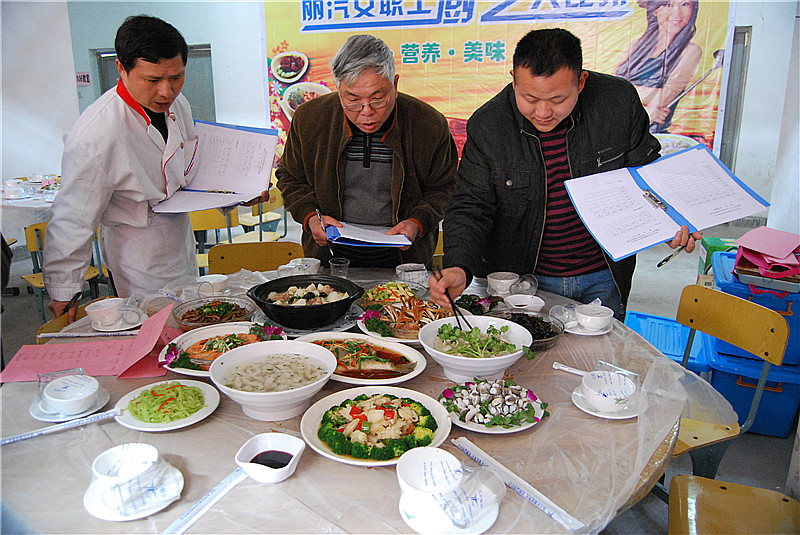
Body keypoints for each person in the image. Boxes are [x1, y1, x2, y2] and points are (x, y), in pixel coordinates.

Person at [430, 28, 698, 318]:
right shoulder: (489, 125)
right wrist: (459, 265)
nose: (543, 112)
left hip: (602, 272)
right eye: (530, 98)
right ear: (514, 79)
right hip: (522, 281)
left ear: (581, 82)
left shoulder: (617, 103)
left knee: (600, 347)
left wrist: (668, 220)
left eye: (558, 100)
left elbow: (644, 173)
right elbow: (470, 205)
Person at [44, 15, 199, 320]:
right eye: (152, 80)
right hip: (137, 254)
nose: (167, 92)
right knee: (149, 327)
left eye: (177, 77)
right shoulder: (95, 133)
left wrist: (234, 192)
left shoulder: (177, 106)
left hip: (180, 236)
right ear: (121, 68)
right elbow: (73, 218)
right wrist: (64, 288)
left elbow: (188, 165)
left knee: (190, 320)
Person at [276, 35, 458, 268]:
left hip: (405, 257)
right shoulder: (310, 119)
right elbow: (290, 177)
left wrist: (417, 222)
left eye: (378, 99)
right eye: (352, 100)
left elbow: (445, 187)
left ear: (395, 84)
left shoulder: (428, 124)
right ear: (338, 89)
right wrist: (310, 217)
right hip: (330, 254)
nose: (366, 112)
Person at [615, 0, 702, 133]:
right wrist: (647, 108)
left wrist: (625, 90)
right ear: (655, 10)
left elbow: (664, 96)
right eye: (668, 5)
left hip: (653, 134)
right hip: (621, 126)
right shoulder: (635, 46)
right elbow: (613, 90)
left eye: (685, 4)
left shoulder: (690, 51)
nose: (677, 13)